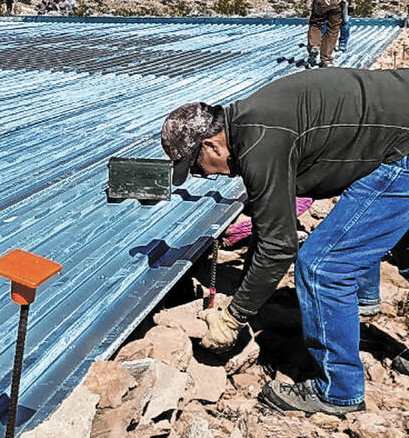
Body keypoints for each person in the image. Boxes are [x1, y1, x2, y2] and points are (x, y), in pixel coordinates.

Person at [160, 68, 409, 415]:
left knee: (323, 266)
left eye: (198, 167)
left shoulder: (259, 142)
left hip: (403, 147)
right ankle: (362, 300)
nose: (204, 176)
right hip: (397, 129)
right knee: (395, 243)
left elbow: (279, 246)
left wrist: (234, 317)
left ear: (211, 144)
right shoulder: (250, 121)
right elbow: (268, 227)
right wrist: (246, 295)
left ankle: (339, 391)